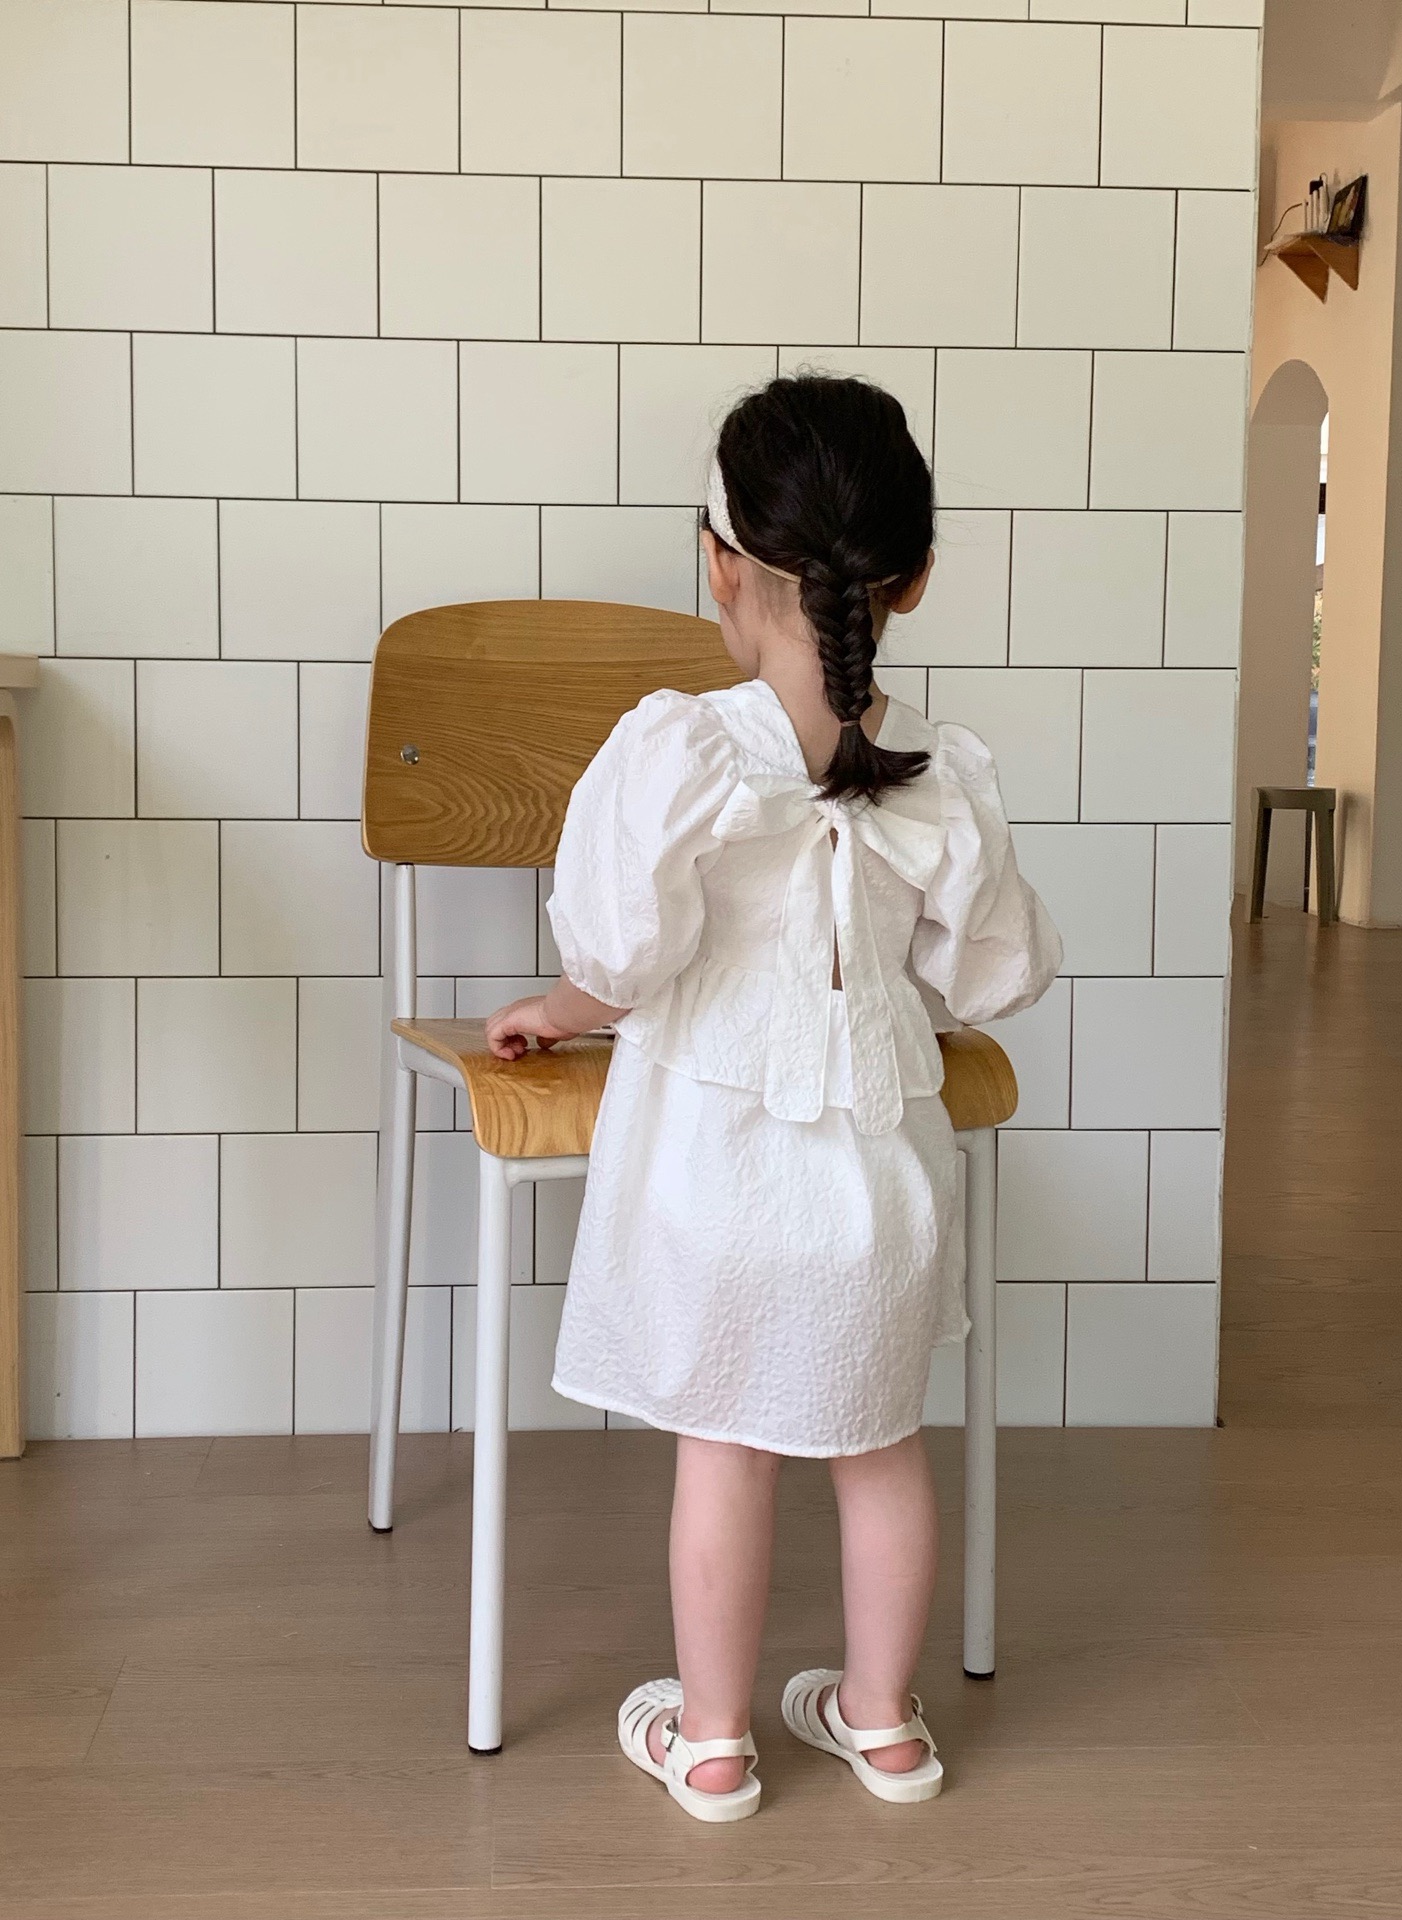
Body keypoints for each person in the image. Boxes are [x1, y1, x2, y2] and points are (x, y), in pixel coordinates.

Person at [485, 375, 1061, 1822]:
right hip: (877, 1177)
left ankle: (715, 1744)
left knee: (725, 1448)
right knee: (881, 1446)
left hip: (711, 1175)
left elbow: (618, 960)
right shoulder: (941, 773)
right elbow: (995, 973)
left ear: (720, 567)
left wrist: (559, 1014)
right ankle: (884, 1728)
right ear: (913, 577)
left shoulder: (680, 750)